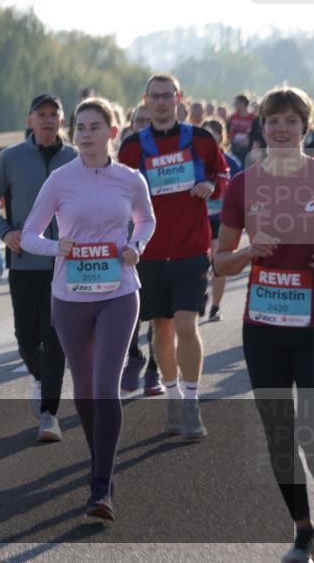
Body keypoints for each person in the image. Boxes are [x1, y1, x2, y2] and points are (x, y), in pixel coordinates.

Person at [22, 98, 155, 522]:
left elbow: (146, 221)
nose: (85, 134)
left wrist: (135, 246)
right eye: (80, 127)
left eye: (95, 126)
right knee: (83, 391)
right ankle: (100, 458)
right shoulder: (60, 181)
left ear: (112, 132)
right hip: (71, 296)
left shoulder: (131, 179)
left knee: (105, 386)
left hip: (119, 292)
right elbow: (28, 234)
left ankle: (101, 486)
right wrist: (54, 246)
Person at [213, 85, 313, 563]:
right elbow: (219, 263)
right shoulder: (242, 185)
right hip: (264, 326)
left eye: (291, 120)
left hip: (312, 325)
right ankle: (302, 530)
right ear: (262, 126)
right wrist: (250, 252)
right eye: (273, 120)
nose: (281, 128)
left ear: (304, 128)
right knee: (280, 433)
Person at [118, 74, 230, 439]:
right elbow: (119, 192)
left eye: (168, 96)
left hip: (190, 248)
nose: (162, 102)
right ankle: (172, 395)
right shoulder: (132, 147)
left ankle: (193, 402)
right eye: (156, 97)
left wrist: (211, 184)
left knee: (187, 325)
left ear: (179, 98)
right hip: (149, 252)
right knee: (161, 330)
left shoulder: (199, 139)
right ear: (146, 100)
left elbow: (223, 171)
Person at [0, 94, 77, 443]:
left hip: (67, 264)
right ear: (30, 119)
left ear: (62, 121)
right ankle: (40, 378)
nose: (48, 120)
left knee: (56, 338)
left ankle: (49, 414)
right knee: (26, 338)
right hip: (25, 261)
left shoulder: (75, 159)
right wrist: (5, 232)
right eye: (41, 114)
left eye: (54, 114)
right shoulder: (12, 158)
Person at [120, 104, 163, 397]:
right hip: (128, 246)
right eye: (140, 121)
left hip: (163, 244)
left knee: (160, 313)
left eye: (150, 121)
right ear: (132, 125)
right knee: (132, 309)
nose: (145, 125)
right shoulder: (123, 158)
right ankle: (134, 355)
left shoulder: (169, 155)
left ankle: (154, 370)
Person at [200, 120, 242, 322]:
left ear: (220, 137)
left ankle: (215, 306)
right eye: (204, 134)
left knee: (217, 261)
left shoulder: (231, 162)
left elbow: (238, 191)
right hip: (198, 219)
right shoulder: (195, 160)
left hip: (220, 219)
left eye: (212, 135)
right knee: (199, 263)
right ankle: (201, 293)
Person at [227, 93, 256, 162]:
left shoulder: (253, 118)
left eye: (236, 103)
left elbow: (255, 134)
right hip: (235, 148)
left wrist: (249, 141)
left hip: (248, 149)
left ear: (243, 103)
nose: (234, 106)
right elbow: (228, 131)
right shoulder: (232, 117)